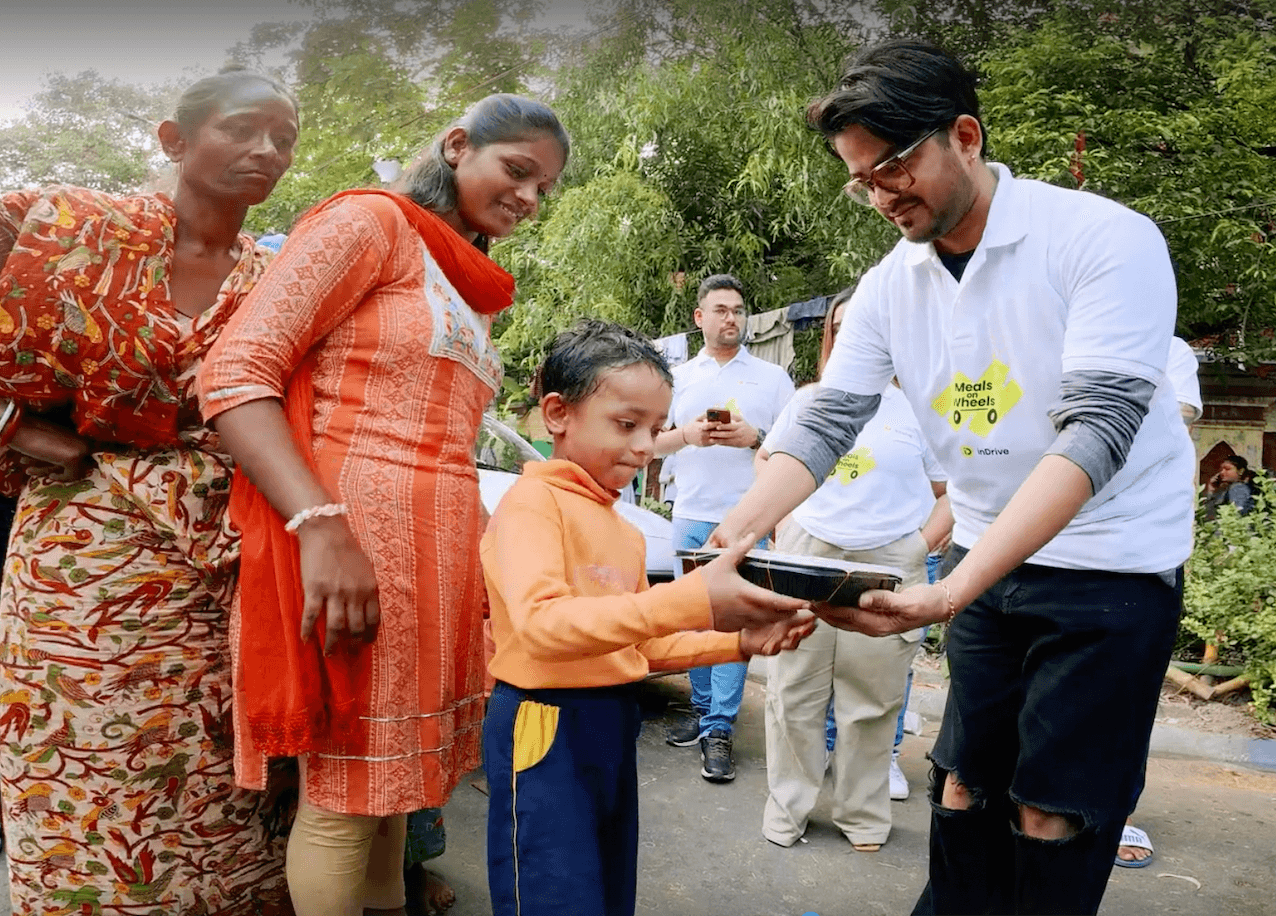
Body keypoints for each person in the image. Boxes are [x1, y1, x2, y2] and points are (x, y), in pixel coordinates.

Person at [710, 39, 1194, 915]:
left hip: (1112, 565)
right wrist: (739, 531)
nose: (880, 195)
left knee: (1051, 811)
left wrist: (948, 589)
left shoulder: (1103, 239)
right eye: (861, 179)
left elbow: (1099, 431)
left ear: (964, 135)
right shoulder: (893, 284)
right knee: (964, 782)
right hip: (984, 552)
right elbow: (825, 417)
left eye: (893, 167)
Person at [197, 93, 568, 916]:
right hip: (352, 548)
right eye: (518, 171)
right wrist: (321, 531)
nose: (530, 199)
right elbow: (234, 374)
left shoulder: (463, 281)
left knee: (395, 791)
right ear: (455, 145)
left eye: (545, 188)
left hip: (436, 561)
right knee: (342, 798)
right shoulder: (371, 224)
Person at [0, 67, 300, 914]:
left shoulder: (273, 278)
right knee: (84, 770)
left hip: (220, 566)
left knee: (218, 780)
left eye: (284, 138)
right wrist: (13, 426)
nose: (266, 150)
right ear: (174, 139)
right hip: (79, 562)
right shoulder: (68, 225)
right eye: (242, 128)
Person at [480, 319, 813, 916]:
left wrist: (739, 642)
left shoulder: (623, 530)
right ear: (558, 413)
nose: (642, 446)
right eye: (626, 425)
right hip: (544, 723)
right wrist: (691, 598)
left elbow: (639, 651)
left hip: (612, 719)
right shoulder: (532, 504)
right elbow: (541, 626)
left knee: (605, 890)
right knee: (551, 892)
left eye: (656, 430)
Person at [758, 288, 951, 852]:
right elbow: (769, 460)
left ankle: (862, 815)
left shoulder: (920, 406)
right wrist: (783, 523)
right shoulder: (809, 401)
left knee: (871, 699)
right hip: (807, 554)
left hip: (889, 563)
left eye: (861, 328)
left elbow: (954, 490)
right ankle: (787, 808)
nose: (848, 339)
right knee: (793, 692)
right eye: (837, 329)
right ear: (829, 339)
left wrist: (918, 545)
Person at [654, 274, 796, 781]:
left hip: (747, 517)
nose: (730, 318)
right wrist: (688, 434)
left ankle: (720, 728)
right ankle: (701, 706)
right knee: (691, 616)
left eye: (737, 309)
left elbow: (794, 448)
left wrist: (754, 436)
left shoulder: (773, 380)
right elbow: (650, 445)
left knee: (735, 619)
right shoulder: (677, 378)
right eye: (719, 310)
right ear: (699, 318)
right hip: (690, 513)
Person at [1117, 334, 1202, 870]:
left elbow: (1179, 414)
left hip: (1139, 553)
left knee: (1124, 698)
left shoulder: (1167, 348)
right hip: (1037, 544)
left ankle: (1114, 814)